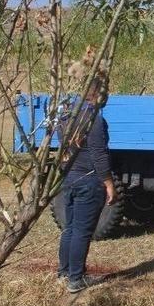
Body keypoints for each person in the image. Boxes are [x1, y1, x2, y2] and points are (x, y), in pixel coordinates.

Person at [57, 78, 119, 293]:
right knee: (82, 231)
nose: (108, 97)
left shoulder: (66, 115)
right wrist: (109, 184)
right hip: (89, 179)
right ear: (98, 95)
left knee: (70, 228)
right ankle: (76, 279)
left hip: (70, 178)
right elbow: (99, 155)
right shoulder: (93, 118)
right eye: (106, 93)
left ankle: (64, 272)